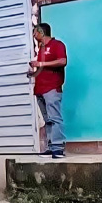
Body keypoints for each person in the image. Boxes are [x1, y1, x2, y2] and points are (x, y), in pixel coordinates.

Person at [28, 23, 68, 158]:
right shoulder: (41, 48)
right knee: (48, 120)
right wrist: (33, 72)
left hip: (52, 88)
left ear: (41, 32)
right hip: (40, 89)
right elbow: (44, 69)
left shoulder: (57, 45)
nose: (34, 35)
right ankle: (51, 147)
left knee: (55, 117)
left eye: (35, 32)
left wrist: (41, 63)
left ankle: (58, 148)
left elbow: (62, 61)